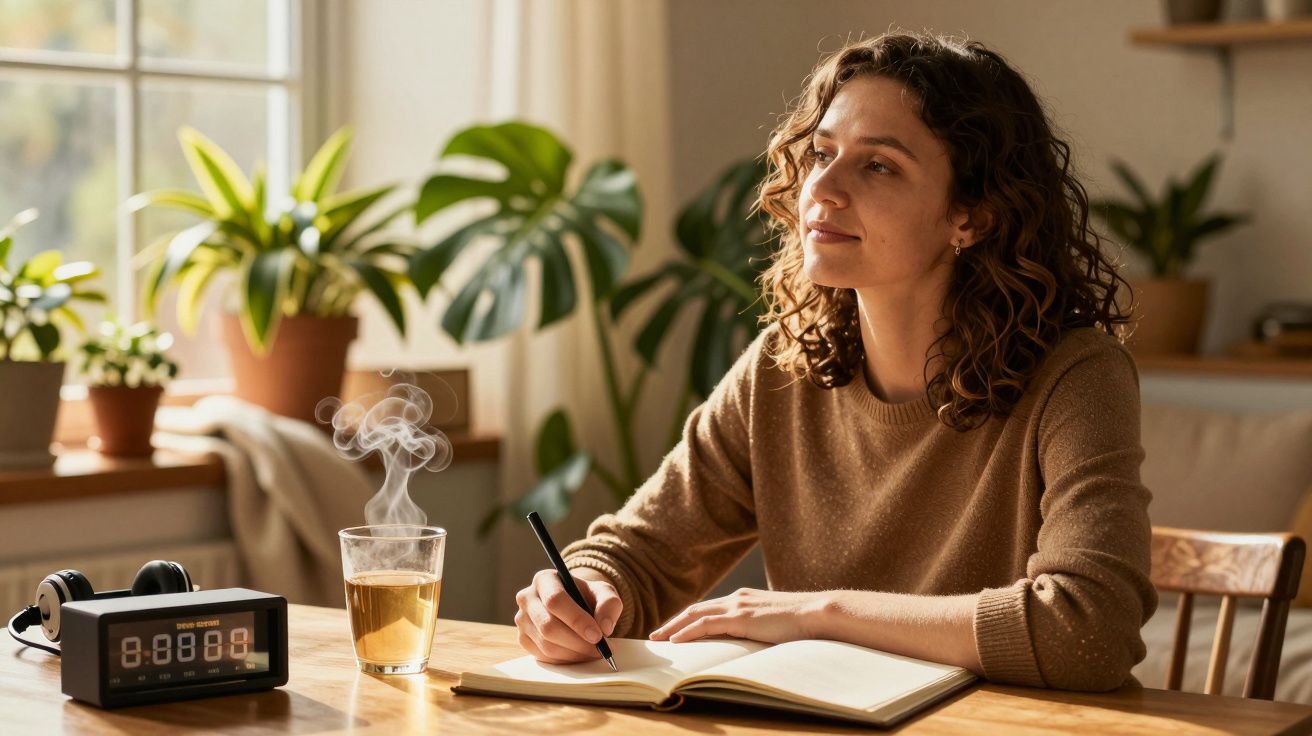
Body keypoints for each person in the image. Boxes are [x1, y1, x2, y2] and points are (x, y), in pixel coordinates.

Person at [513, 30, 1157, 692]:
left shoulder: (1077, 376)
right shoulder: (781, 371)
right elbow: (641, 551)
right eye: (822, 153)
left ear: (972, 217)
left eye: (878, 165)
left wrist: (819, 614)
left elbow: (1088, 630)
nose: (822, 187)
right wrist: (584, 591)